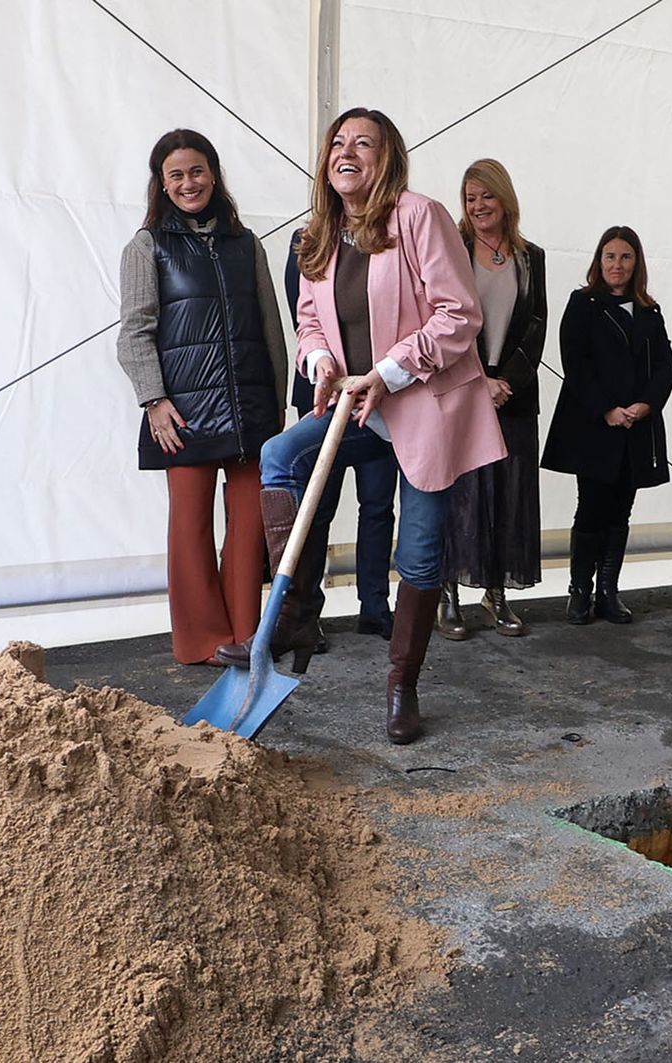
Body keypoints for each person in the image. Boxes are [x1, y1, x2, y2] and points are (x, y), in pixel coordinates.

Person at [256, 108, 505, 744]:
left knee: (417, 553)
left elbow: (460, 314)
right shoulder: (321, 233)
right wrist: (320, 358)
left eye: (363, 143)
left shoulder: (419, 216)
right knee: (280, 456)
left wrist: (388, 372)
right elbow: (310, 317)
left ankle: (403, 683)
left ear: (386, 158)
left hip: (421, 401)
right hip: (357, 402)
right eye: (338, 142)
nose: (347, 151)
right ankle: (294, 613)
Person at [116, 129, 288, 666]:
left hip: (250, 410)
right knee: (190, 529)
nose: (188, 182)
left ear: (213, 174)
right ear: (162, 185)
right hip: (181, 414)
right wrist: (153, 400)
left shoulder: (246, 244)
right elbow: (134, 332)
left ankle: (245, 633)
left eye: (196, 171)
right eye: (176, 175)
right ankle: (202, 640)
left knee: (249, 526)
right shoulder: (146, 247)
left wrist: (277, 403)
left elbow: (270, 329)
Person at [436, 159, 548, 640]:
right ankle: (448, 594)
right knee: (461, 495)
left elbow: (537, 324)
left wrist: (507, 382)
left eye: (486, 195)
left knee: (508, 493)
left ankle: (496, 594)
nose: (478, 206)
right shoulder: (452, 250)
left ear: (505, 199)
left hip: (514, 397)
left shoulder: (532, 256)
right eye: (469, 197)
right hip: (461, 392)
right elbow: (444, 320)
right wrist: (479, 380)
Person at [541, 226, 672, 624]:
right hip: (595, 427)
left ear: (637, 263)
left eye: (626, 257)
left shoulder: (650, 310)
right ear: (599, 262)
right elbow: (576, 364)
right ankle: (579, 592)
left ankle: (608, 592)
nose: (617, 265)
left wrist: (646, 404)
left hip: (637, 427)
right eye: (610, 257)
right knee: (592, 508)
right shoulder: (583, 304)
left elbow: (666, 367)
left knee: (622, 511)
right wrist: (607, 409)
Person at [282, 226, 399, 644]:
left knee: (379, 505)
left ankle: (375, 607)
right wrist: (323, 365)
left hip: (379, 397)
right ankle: (304, 615)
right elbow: (306, 315)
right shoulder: (307, 238)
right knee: (317, 507)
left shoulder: (390, 237)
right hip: (325, 395)